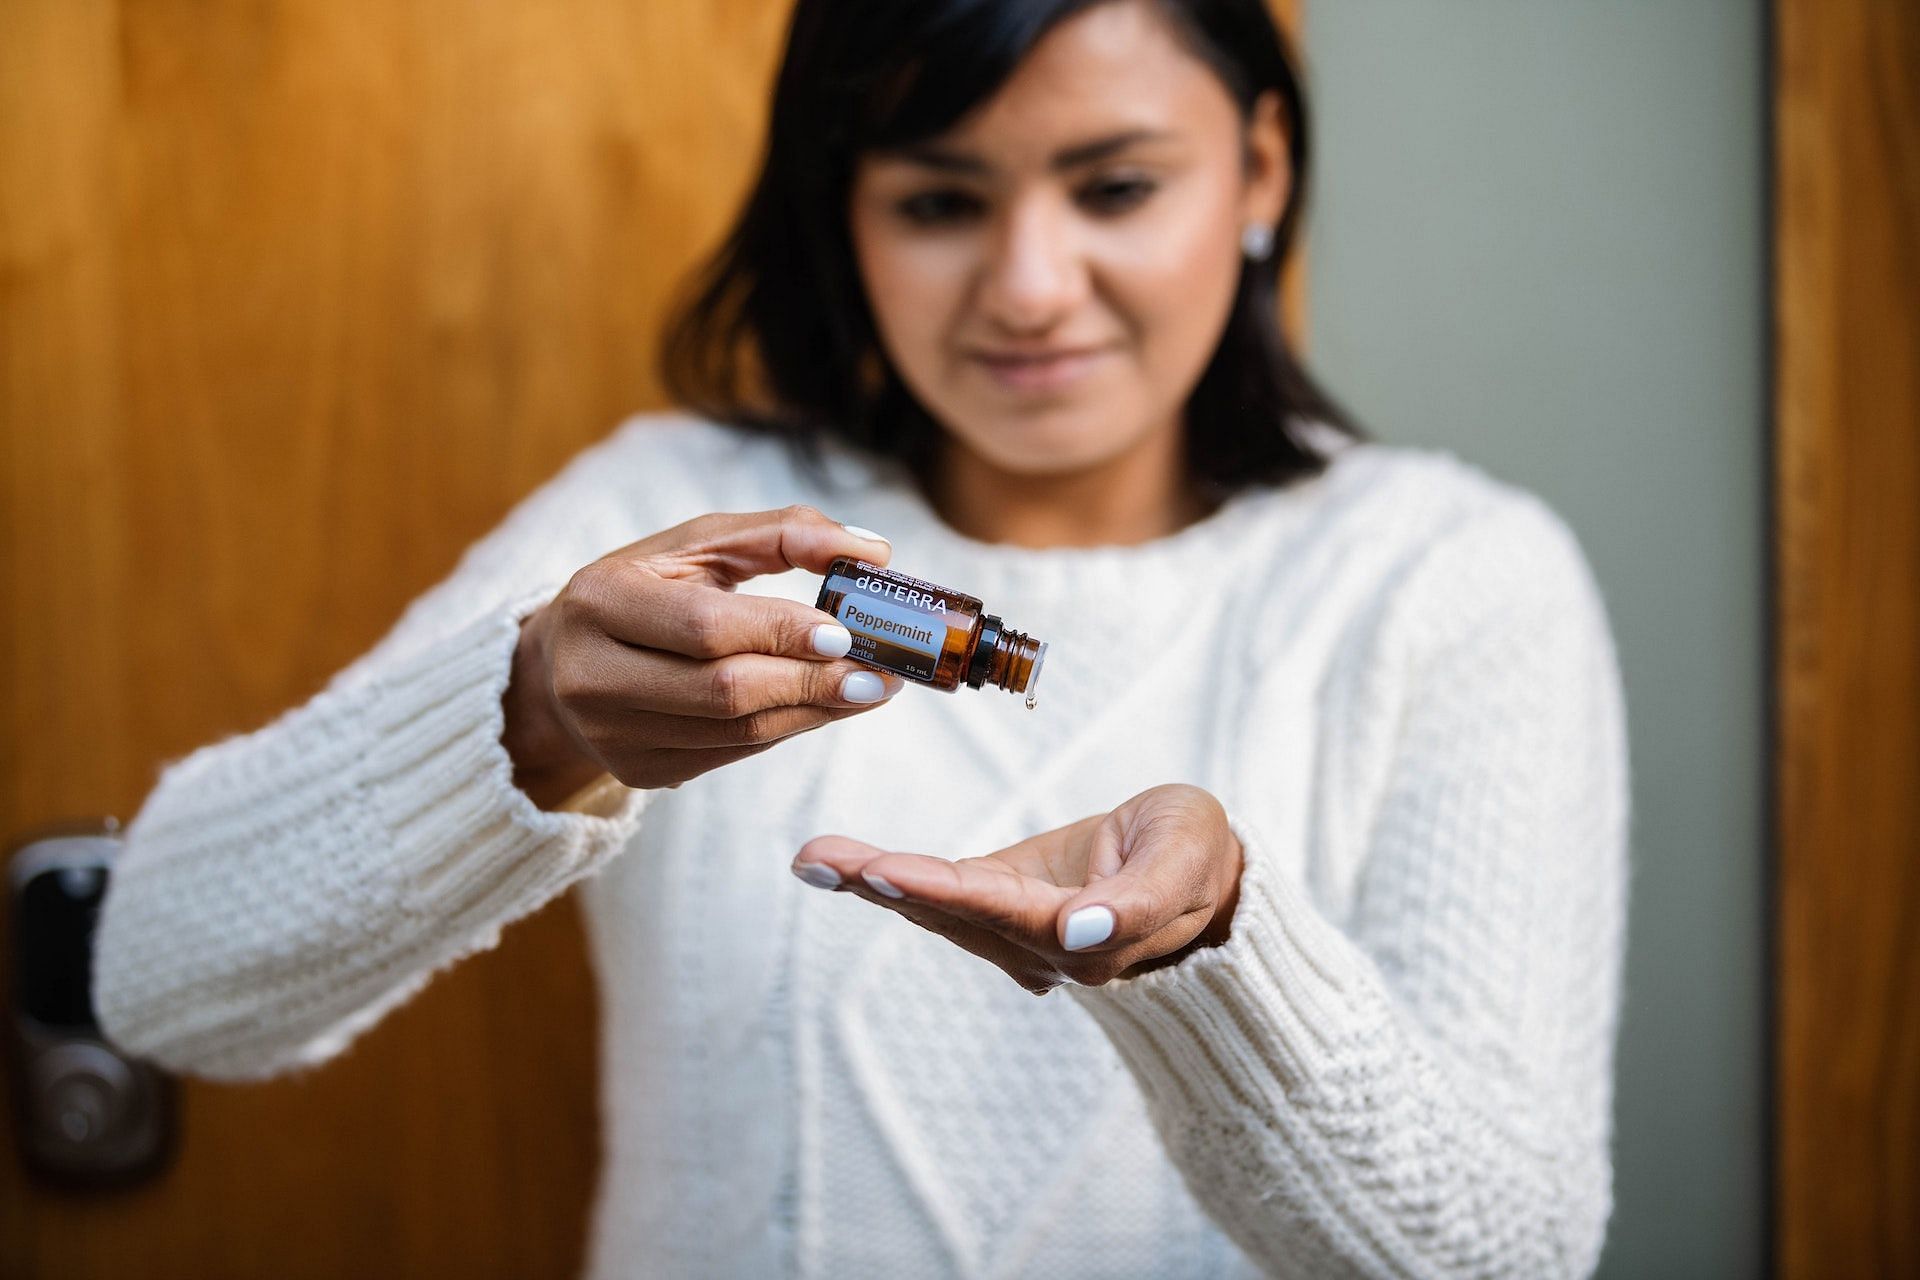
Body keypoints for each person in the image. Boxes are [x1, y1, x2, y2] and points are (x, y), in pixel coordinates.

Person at [91, 1, 1630, 1276]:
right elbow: (162, 981)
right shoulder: (677, 517)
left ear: (1260, 170)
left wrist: (1219, 951)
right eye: (940, 201)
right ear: (847, 209)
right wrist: (530, 718)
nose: (1031, 289)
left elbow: (1507, 1254)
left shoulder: (1452, 581)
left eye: (1114, 188)